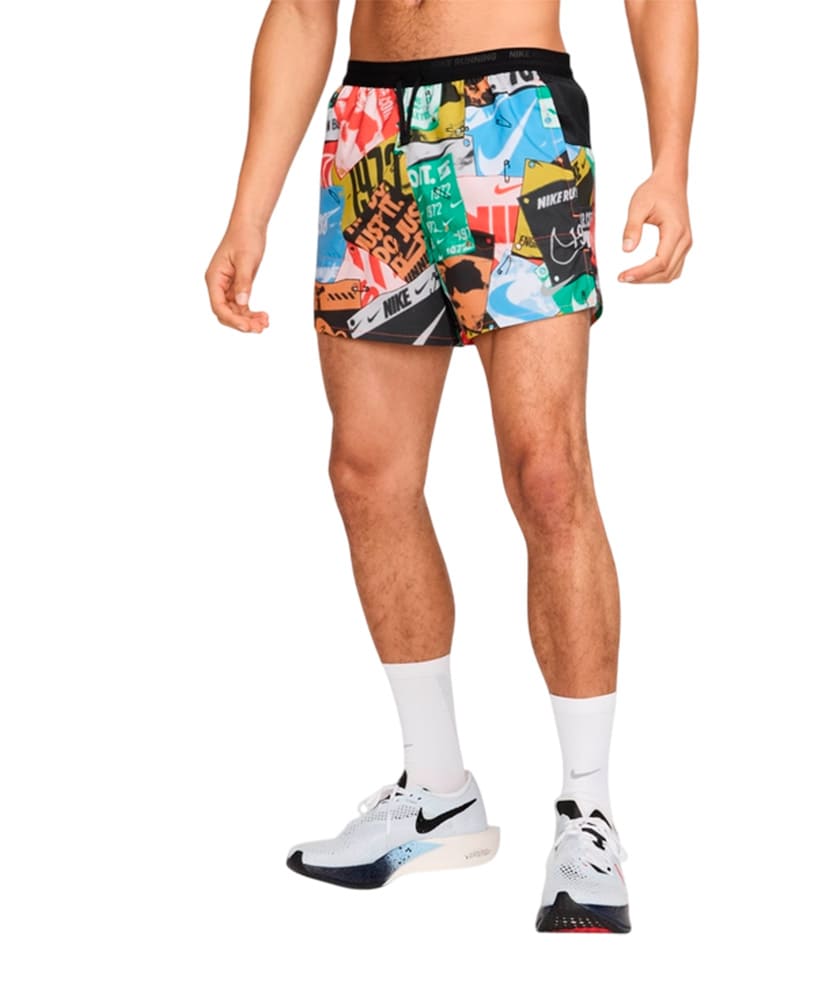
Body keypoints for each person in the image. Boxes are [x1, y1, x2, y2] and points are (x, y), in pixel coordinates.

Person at [205, 0, 696, 934]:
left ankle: (587, 815)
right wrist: (247, 214)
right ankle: (437, 793)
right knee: (366, 475)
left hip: (514, 118)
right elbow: (303, 11)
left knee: (548, 474)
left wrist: (670, 163)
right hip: (370, 130)